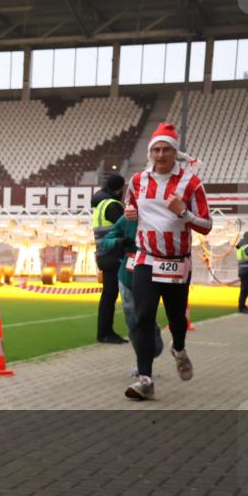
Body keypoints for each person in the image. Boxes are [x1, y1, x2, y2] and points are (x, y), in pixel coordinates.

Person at [123, 123, 212, 401]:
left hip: (176, 263)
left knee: (176, 319)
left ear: (176, 153)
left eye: (166, 150)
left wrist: (183, 212)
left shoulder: (191, 183)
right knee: (143, 316)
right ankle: (145, 379)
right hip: (146, 259)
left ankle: (179, 349)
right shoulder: (138, 181)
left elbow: (207, 225)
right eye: (156, 150)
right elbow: (132, 207)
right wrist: (130, 213)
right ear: (150, 153)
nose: (160, 155)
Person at [97, 208, 164, 374]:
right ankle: (141, 360)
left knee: (144, 317)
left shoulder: (159, 216)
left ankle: (151, 337)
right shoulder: (126, 219)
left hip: (151, 273)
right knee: (132, 322)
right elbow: (105, 241)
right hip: (127, 276)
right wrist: (119, 242)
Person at [92, 173, 128, 344]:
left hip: (103, 253)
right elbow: (126, 227)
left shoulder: (100, 204)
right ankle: (106, 333)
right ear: (120, 188)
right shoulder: (113, 205)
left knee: (108, 295)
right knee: (110, 295)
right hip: (114, 254)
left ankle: (104, 331)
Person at [236, 231, 248, 313]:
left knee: (244, 290)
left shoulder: (240, 247)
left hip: (242, 270)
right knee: (245, 290)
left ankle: (242, 307)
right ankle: (242, 307)